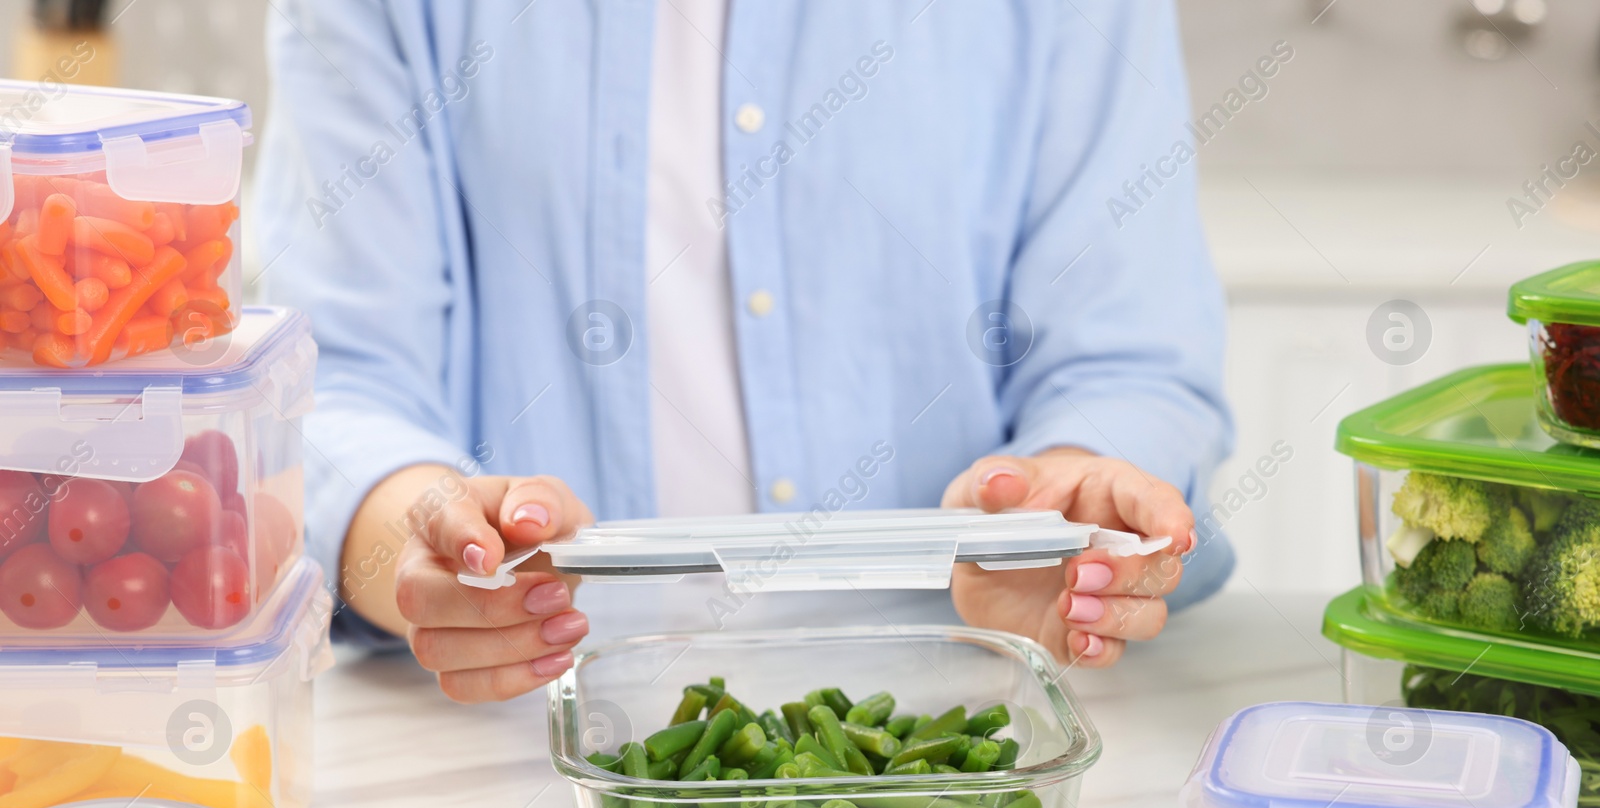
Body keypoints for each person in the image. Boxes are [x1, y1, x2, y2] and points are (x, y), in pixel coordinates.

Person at [255, 0, 1232, 703]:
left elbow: (1128, 359)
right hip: (521, 729)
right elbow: (331, 384)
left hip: (977, 704)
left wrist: (1061, 516)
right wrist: (421, 542)